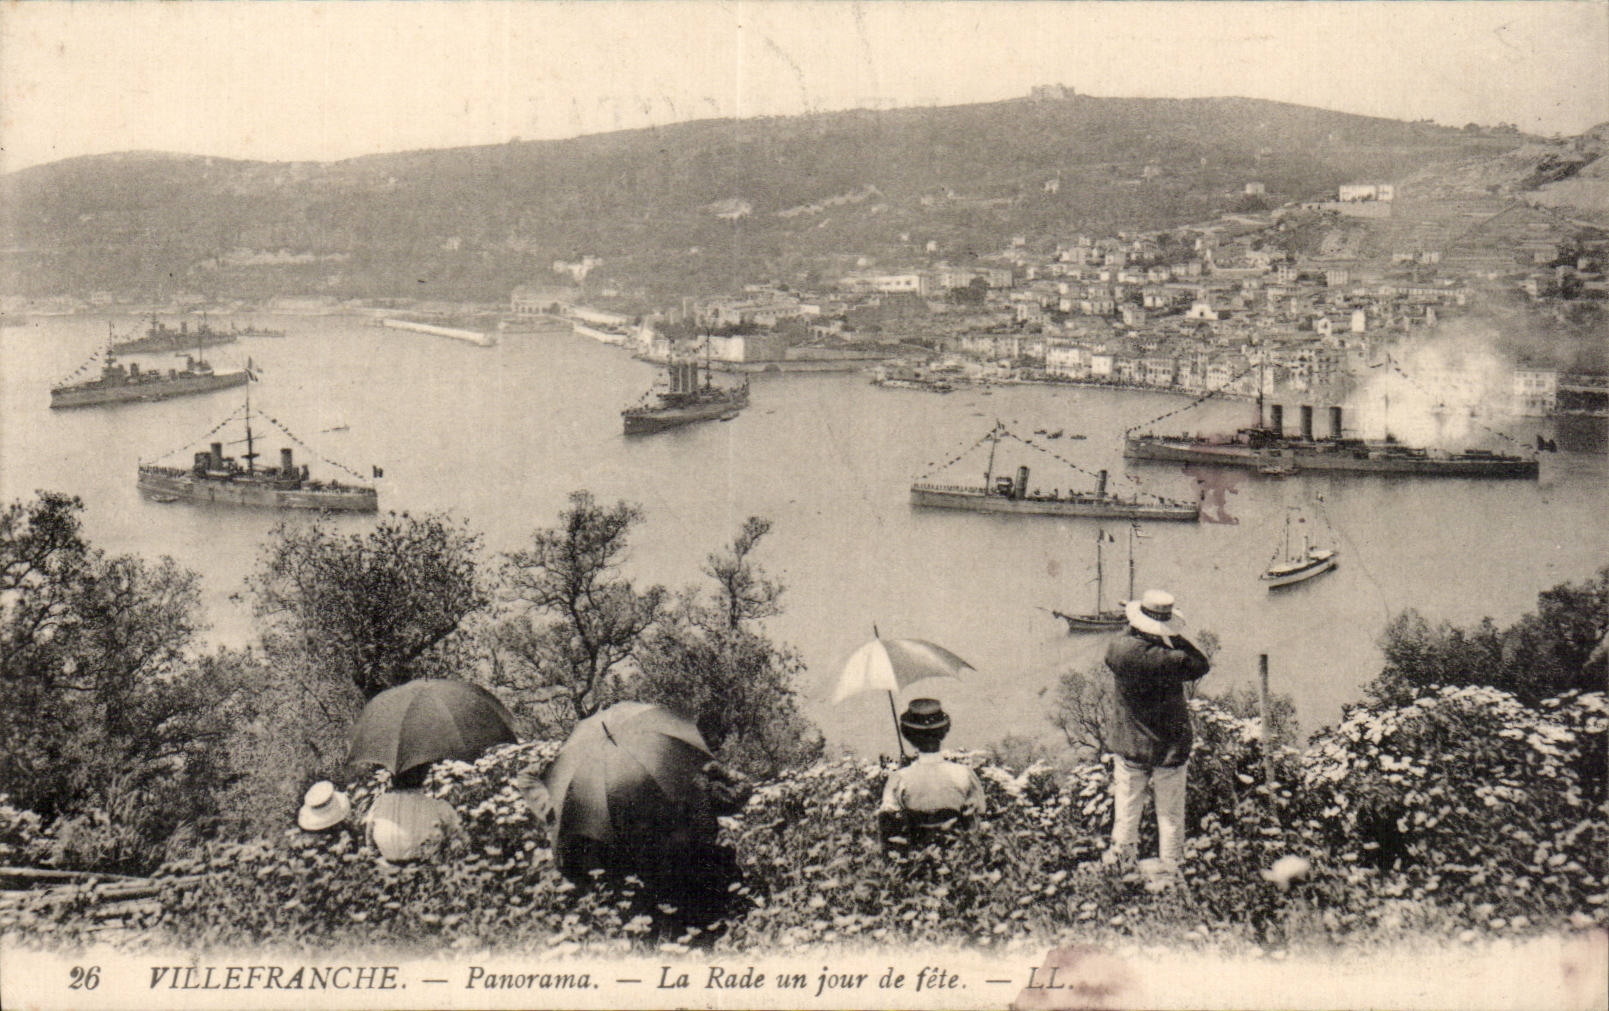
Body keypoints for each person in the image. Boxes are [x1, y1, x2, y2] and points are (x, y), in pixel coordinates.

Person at [1103, 589, 1211, 882]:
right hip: (1170, 746)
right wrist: (1170, 635)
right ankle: (1172, 870)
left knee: (1126, 809)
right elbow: (1200, 662)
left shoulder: (1117, 650)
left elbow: (1130, 638)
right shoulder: (1171, 659)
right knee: (1170, 814)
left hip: (1130, 743)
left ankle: (1123, 867)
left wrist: (1138, 621)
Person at [878, 698, 987, 849]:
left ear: (908, 735)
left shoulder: (899, 779)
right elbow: (978, 817)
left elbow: (889, 826)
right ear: (944, 732)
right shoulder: (965, 774)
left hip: (917, 864)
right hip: (960, 861)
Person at [363, 765, 465, 863]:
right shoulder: (439, 807)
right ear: (423, 775)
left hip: (386, 873)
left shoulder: (380, 803)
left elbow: (370, 844)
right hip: (427, 873)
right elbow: (459, 843)